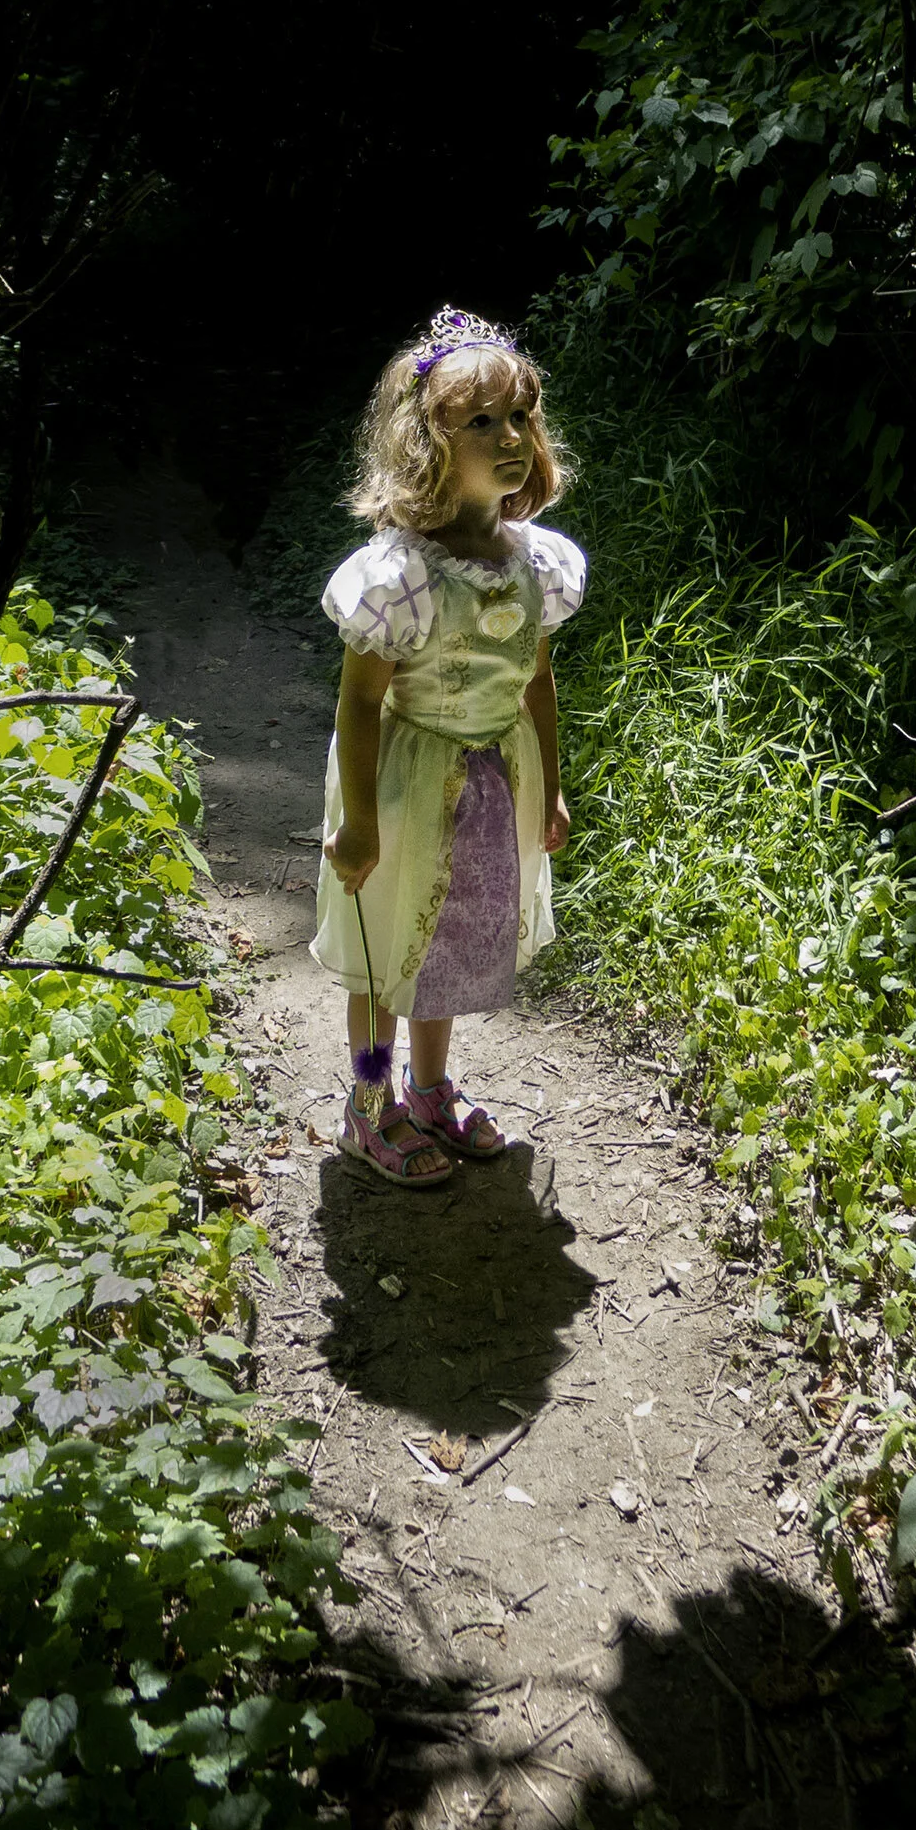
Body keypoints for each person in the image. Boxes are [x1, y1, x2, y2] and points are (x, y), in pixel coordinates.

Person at [312, 307, 587, 1186]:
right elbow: (361, 701)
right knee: (390, 946)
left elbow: (535, 679)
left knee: (454, 935)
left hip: (494, 777)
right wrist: (360, 823)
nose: (509, 438)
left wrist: (548, 789)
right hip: (405, 781)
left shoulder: (535, 562)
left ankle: (430, 1088)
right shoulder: (398, 575)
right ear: (429, 442)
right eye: (481, 423)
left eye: (520, 418)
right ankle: (367, 1103)